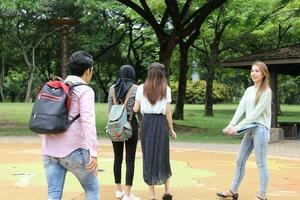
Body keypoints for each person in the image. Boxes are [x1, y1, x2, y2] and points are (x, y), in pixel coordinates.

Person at [41, 51, 99, 200]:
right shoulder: (85, 90)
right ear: (88, 71)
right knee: (92, 188)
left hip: (49, 150)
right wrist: (93, 152)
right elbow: (88, 122)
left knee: (53, 194)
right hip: (74, 150)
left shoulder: (56, 86)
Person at [217, 61, 272, 200]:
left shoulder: (266, 92)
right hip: (249, 130)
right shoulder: (248, 90)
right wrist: (231, 124)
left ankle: (262, 196)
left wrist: (237, 128)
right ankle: (233, 191)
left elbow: (255, 115)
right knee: (239, 160)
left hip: (260, 130)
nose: (254, 73)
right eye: (252, 71)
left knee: (261, 163)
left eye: (257, 71)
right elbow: (240, 109)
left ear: (264, 73)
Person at [133, 62, 177, 200]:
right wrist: (171, 129)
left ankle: (152, 195)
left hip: (146, 123)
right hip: (160, 123)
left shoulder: (141, 88)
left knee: (148, 156)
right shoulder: (166, 89)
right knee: (163, 155)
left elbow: (136, 109)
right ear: (162, 74)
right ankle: (167, 190)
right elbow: (168, 112)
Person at [107, 65, 140, 200]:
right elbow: (139, 109)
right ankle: (127, 193)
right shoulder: (135, 89)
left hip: (115, 125)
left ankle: (118, 191)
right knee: (130, 159)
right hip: (130, 123)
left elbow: (110, 110)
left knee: (117, 158)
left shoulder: (112, 89)